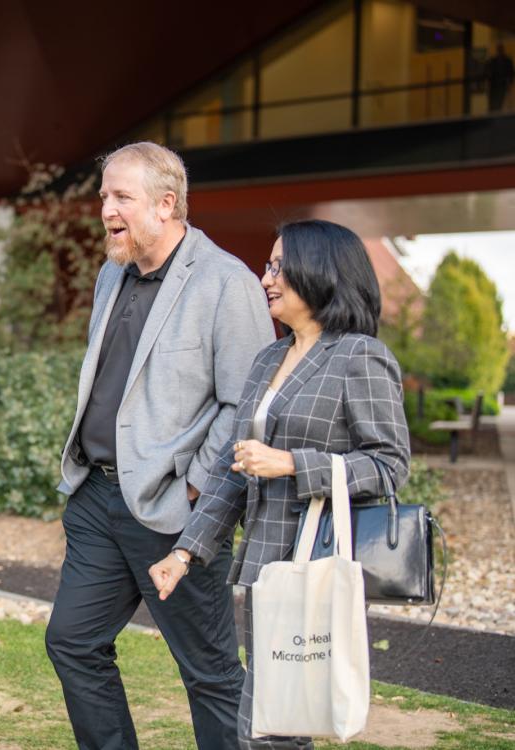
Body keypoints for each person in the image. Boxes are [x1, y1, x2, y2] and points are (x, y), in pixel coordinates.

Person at [45, 141, 275, 750]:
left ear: (167, 204)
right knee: (72, 641)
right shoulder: (110, 274)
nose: (106, 210)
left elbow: (244, 404)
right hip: (96, 496)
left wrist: (196, 484)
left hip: (175, 511)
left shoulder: (227, 283)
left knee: (210, 674)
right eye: (103, 197)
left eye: (122, 197)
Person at [149, 219, 411, 749]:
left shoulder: (360, 356)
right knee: (277, 721)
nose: (266, 277)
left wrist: (293, 463)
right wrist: (184, 553)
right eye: (268, 265)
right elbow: (233, 468)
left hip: (318, 565)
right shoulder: (268, 358)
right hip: (267, 567)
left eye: (278, 266)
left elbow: (389, 465)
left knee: (270, 727)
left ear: (320, 272)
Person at [486, 43, 514, 113]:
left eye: (501, 49)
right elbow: (490, 73)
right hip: (494, 86)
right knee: (494, 103)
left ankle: (498, 112)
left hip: (502, 85)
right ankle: (493, 112)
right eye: (499, 49)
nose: (500, 51)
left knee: (501, 101)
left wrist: (509, 83)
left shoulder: (507, 61)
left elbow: (511, 73)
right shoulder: (493, 60)